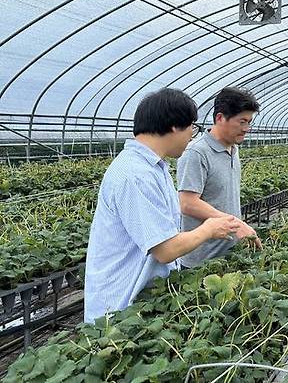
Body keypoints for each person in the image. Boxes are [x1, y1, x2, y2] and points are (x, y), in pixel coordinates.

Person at [84, 88, 241, 323]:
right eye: (192, 127)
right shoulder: (135, 175)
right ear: (174, 126)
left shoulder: (156, 168)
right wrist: (209, 229)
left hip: (144, 302)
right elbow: (165, 249)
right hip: (120, 312)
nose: (192, 135)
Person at [177, 87, 262, 269]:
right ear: (220, 118)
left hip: (229, 252)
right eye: (242, 122)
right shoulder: (197, 152)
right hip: (202, 262)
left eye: (249, 122)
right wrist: (236, 225)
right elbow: (187, 203)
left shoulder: (233, 148)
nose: (246, 129)